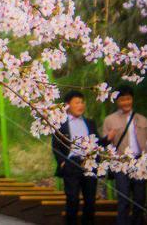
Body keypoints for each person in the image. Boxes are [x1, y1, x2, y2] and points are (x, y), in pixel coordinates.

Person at [103, 85, 147, 225]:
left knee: (140, 198)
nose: (126, 102)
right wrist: (108, 138)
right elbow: (104, 143)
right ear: (117, 102)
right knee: (123, 198)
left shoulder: (142, 119)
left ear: (132, 99)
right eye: (122, 100)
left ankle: (137, 222)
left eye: (128, 99)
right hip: (121, 163)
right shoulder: (109, 120)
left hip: (140, 162)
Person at [53, 90, 101, 225]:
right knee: (72, 199)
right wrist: (62, 162)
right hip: (71, 163)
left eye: (82, 102)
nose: (81, 105)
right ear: (68, 105)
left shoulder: (90, 123)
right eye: (77, 102)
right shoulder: (60, 124)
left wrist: (108, 139)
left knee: (90, 200)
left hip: (89, 164)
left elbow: (97, 142)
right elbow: (55, 146)